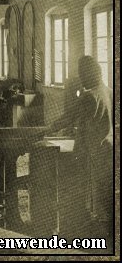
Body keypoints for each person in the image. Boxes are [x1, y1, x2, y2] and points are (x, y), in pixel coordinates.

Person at [48, 56, 113, 248]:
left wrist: (47, 129)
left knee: (91, 193)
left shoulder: (88, 95)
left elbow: (68, 118)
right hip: (109, 148)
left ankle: (89, 234)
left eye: (82, 75)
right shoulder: (108, 91)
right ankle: (107, 230)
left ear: (89, 74)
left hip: (94, 152)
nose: (80, 79)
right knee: (106, 191)